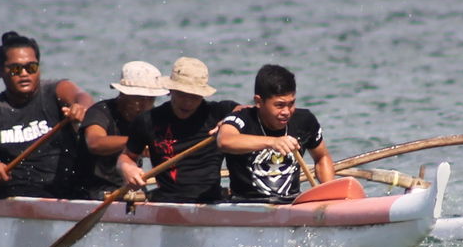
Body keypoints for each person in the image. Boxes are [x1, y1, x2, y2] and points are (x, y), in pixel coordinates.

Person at [0, 30, 94, 199]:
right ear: (0, 71)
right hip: (14, 199)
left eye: (31, 67)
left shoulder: (56, 91)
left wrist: (81, 108)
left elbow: (82, 96)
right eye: (15, 69)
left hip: (65, 195)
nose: (24, 74)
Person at [118, 57, 238, 203]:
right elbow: (127, 157)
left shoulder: (218, 112)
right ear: (171, 90)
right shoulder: (147, 120)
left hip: (211, 201)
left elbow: (251, 111)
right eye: (181, 94)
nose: (187, 103)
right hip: (166, 202)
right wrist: (127, 167)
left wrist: (231, 122)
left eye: (194, 97)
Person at [217, 63, 336, 201]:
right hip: (248, 204)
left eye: (291, 103)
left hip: (292, 204)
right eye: (279, 105)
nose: (286, 112)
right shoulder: (242, 119)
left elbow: (322, 157)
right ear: (259, 101)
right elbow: (224, 141)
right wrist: (273, 142)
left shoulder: (305, 120)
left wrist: (330, 195)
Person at [77, 61, 169, 198]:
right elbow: (94, 143)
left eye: (150, 99)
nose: (145, 105)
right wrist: (136, 143)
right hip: (90, 191)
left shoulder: (150, 118)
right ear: (123, 93)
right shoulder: (100, 112)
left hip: (127, 188)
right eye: (139, 97)